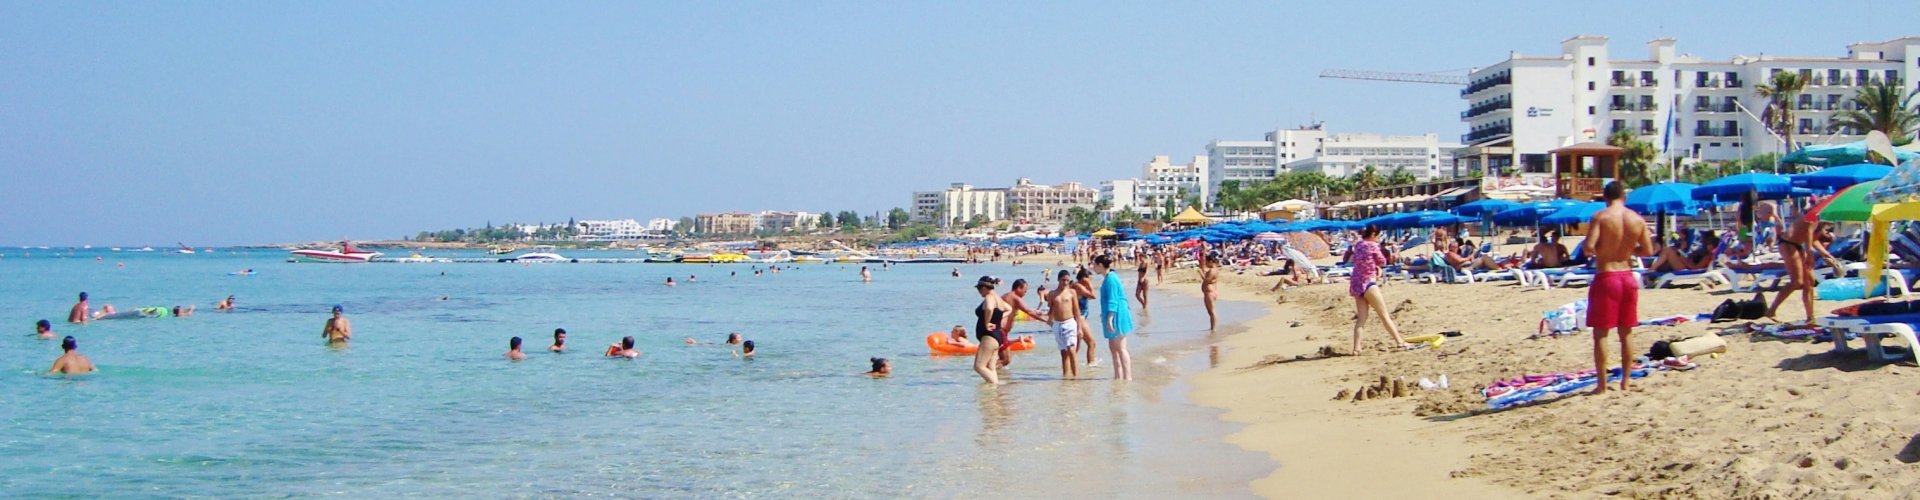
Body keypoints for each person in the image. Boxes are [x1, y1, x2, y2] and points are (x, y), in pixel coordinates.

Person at [1587, 181, 1655, 394]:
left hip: (1607, 276)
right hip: (1627, 276)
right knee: (1626, 333)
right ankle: (1626, 381)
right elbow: (1648, 250)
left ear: (1605, 197)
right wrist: (1628, 250)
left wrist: (1603, 249)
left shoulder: (1601, 217)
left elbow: (1588, 247)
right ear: (1624, 196)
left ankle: (1602, 385)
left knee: (1601, 333)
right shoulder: (1637, 219)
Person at [1348, 225, 1411, 353]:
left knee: (1361, 319)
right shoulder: (1372, 245)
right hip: (1369, 283)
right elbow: (1382, 261)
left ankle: (1356, 348)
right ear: (1373, 234)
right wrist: (1392, 255)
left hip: (1356, 284)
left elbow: (1360, 261)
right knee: (1384, 315)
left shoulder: (1358, 245)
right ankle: (1400, 342)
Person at [1770, 217, 1842, 326]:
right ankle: (1771, 310)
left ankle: (1810, 317)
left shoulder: (1820, 220)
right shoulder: (1814, 215)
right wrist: (1809, 254)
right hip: (1788, 243)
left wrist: (1828, 256)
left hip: (1797, 245)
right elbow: (1808, 233)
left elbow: (1813, 239)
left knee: (1809, 281)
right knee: (1797, 282)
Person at [1092, 255, 1135, 380]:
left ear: (1100, 265)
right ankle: (1117, 376)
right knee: (1113, 348)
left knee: (1121, 348)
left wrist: (1110, 318)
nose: (1093, 267)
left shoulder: (1111, 279)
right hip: (1111, 314)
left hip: (1117, 315)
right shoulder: (1107, 278)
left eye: (1094, 265)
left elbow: (1113, 299)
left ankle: (1127, 377)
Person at [971, 276, 1010, 384]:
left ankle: (995, 386)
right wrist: (999, 318)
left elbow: (989, 308)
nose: (979, 292)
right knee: (990, 367)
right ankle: (993, 393)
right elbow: (1009, 309)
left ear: (984, 288)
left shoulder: (989, 297)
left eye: (979, 289)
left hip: (989, 337)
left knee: (979, 366)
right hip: (997, 336)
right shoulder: (998, 298)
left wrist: (987, 323)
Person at [1045, 270, 1080, 378]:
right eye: (1063, 280)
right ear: (1058, 280)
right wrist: (1049, 321)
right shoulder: (1052, 294)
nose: (1065, 282)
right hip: (1058, 324)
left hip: (1070, 323)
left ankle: (1076, 377)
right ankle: (1066, 377)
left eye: (1067, 280)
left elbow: (1076, 311)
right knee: (1063, 352)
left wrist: (1079, 327)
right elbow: (1051, 309)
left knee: (1071, 350)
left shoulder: (1072, 292)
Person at [1070, 268, 1099, 367]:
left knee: (1077, 345)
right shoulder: (1078, 286)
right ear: (1083, 278)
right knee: (1091, 343)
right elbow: (1093, 296)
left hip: (1079, 317)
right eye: (1089, 279)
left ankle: (1070, 365)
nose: (1091, 281)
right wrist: (1089, 284)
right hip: (1079, 318)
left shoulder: (1078, 286)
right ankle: (1091, 366)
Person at [1199, 251, 1221, 331]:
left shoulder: (1212, 270)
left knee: (1212, 311)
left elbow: (1207, 280)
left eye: (1207, 262)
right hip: (1211, 291)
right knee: (1210, 312)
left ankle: (1214, 328)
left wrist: (1201, 274)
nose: (1206, 264)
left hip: (1210, 292)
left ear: (1211, 261)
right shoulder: (1214, 269)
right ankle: (1212, 327)